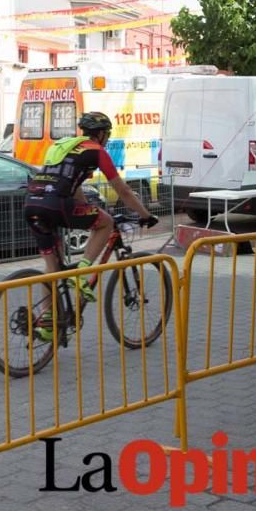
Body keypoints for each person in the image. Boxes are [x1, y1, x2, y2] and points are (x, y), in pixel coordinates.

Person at [24, 112, 156, 341]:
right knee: (106, 222)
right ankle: (82, 275)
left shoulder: (64, 145)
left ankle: (47, 322)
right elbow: (123, 191)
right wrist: (145, 215)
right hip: (56, 204)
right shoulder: (96, 151)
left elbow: (72, 185)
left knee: (52, 267)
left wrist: (86, 211)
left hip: (32, 204)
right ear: (103, 134)